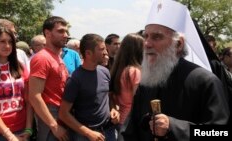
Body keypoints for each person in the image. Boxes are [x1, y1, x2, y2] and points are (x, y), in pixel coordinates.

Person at [122, 0, 229, 141]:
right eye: (146, 36)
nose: (147, 44)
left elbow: (219, 133)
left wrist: (174, 127)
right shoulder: (146, 82)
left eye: (157, 37)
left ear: (178, 44)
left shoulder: (206, 82)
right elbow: (129, 131)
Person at [59, 33, 119, 141]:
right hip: (85, 135)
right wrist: (88, 133)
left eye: (105, 48)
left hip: (108, 131)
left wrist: (113, 109)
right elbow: (64, 114)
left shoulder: (105, 72)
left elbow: (108, 95)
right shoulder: (75, 79)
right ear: (88, 53)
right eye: (101, 49)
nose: (106, 52)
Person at [0, 25, 32, 140]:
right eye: (2, 41)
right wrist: (9, 135)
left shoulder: (20, 66)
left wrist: (29, 129)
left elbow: (28, 101)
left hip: (22, 131)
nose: (7, 46)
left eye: (10, 42)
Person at [29, 16, 69, 141]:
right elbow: (34, 96)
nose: (66, 35)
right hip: (50, 116)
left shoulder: (57, 57)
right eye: (61, 31)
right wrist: (54, 125)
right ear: (47, 33)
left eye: (66, 31)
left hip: (61, 114)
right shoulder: (42, 58)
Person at [110, 33, 144, 134]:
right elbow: (139, 100)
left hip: (121, 119)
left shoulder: (119, 69)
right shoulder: (134, 71)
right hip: (131, 121)